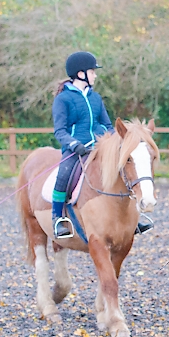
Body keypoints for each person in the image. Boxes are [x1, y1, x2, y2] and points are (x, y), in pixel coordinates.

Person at [51, 51, 113, 238]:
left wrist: (116, 141)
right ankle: (58, 218)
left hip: (99, 148)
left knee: (123, 169)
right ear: (80, 74)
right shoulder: (63, 99)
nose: (95, 75)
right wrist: (73, 143)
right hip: (76, 150)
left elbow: (107, 125)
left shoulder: (96, 98)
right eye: (92, 71)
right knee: (63, 175)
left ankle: (131, 216)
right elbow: (60, 131)